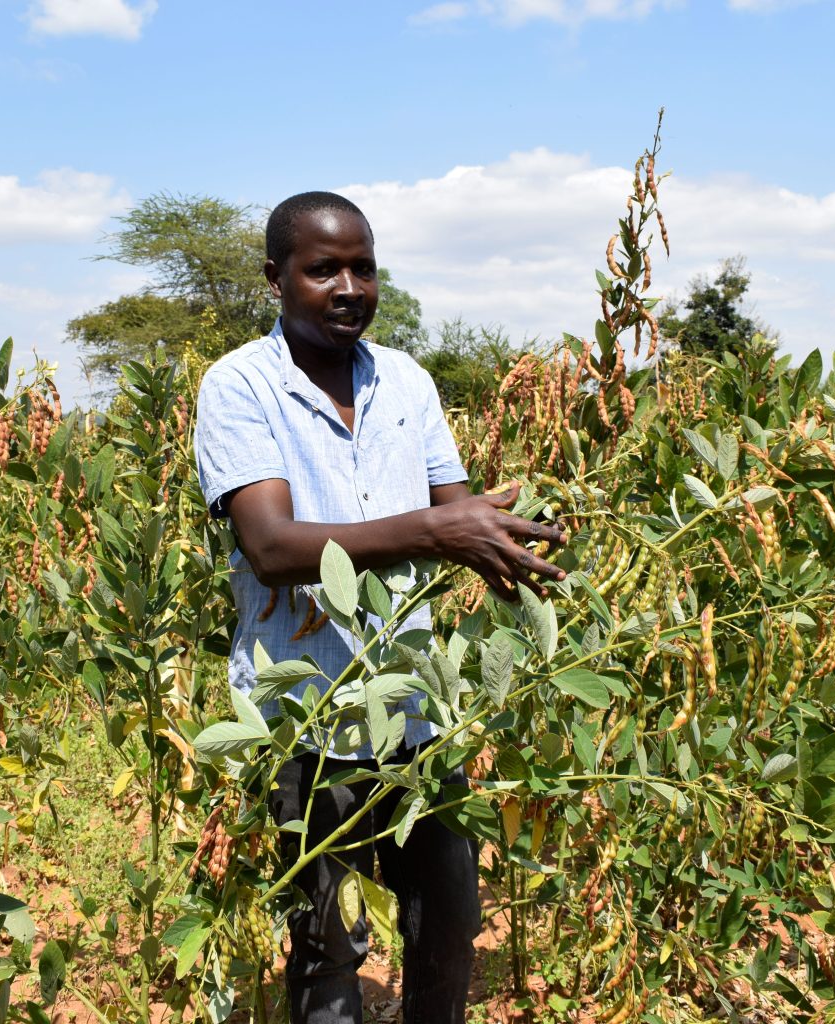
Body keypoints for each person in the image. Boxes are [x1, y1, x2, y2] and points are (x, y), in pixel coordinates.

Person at [193, 191, 566, 1024]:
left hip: (411, 712)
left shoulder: (407, 381)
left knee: (449, 916)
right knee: (328, 944)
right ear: (276, 278)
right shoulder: (239, 386)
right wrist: (439, 530)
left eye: (363, 266)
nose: (349, 286)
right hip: (302, 716)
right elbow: (272, 547)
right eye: (323, 269)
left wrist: (507, 548)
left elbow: (459, 516)